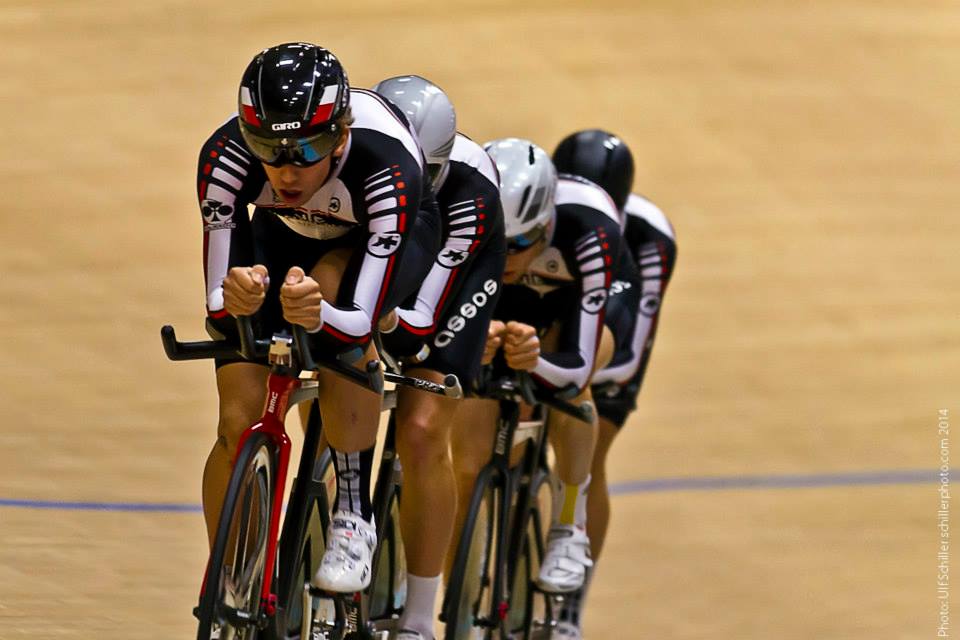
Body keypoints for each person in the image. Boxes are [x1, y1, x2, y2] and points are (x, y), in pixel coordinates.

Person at [195, 42, 441, 594]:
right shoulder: (226, 158)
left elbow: (356, 320)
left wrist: (319, 313)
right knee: (237, 420)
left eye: (306, 148)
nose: (286, 169)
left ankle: (353, 513)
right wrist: (236, 295)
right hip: (284, 230)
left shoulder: (386, 168)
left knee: (332, 294)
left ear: (341, 133)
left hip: (373, 238)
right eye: (268, 148)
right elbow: (217, 303)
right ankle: (234, 586)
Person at [362, 74, 506, 640]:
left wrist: (380, 320)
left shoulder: (470, 195)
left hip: (456, 274)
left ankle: (420, 616)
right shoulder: (366, 164)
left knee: (421, 427)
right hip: (383, 242)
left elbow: (419, 324)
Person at [449, 138, 623, 598]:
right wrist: (469, 344)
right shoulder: (463, 210)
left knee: (573, 396)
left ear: (547, 225)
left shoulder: (591, 230)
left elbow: (580, 364)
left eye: (521, 244)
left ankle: (568, 524)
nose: (508, 257)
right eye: (497, 244)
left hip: (564, 318)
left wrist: (539, 360)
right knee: (467, 464)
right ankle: (459, 607)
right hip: (492, 311)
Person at [548, 129, 678, 639]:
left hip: (611, 336)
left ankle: (570, 605)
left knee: (591, 445)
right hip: (557, 313)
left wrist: (568, 378)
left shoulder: (649, 236)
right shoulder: (546, 208)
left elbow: (627, 351)